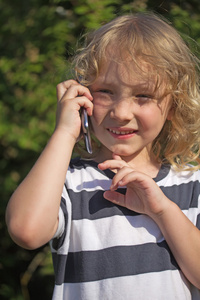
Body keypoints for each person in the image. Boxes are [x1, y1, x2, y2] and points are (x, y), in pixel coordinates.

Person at [6, 12, 200, 299]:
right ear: (83, 95)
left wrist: (162, 210)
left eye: (143, 96)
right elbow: (26, 230)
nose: (121, 113)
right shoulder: (68, 181)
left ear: (174, 105)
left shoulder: (192, 183)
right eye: (106, 92)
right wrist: (64, 133)